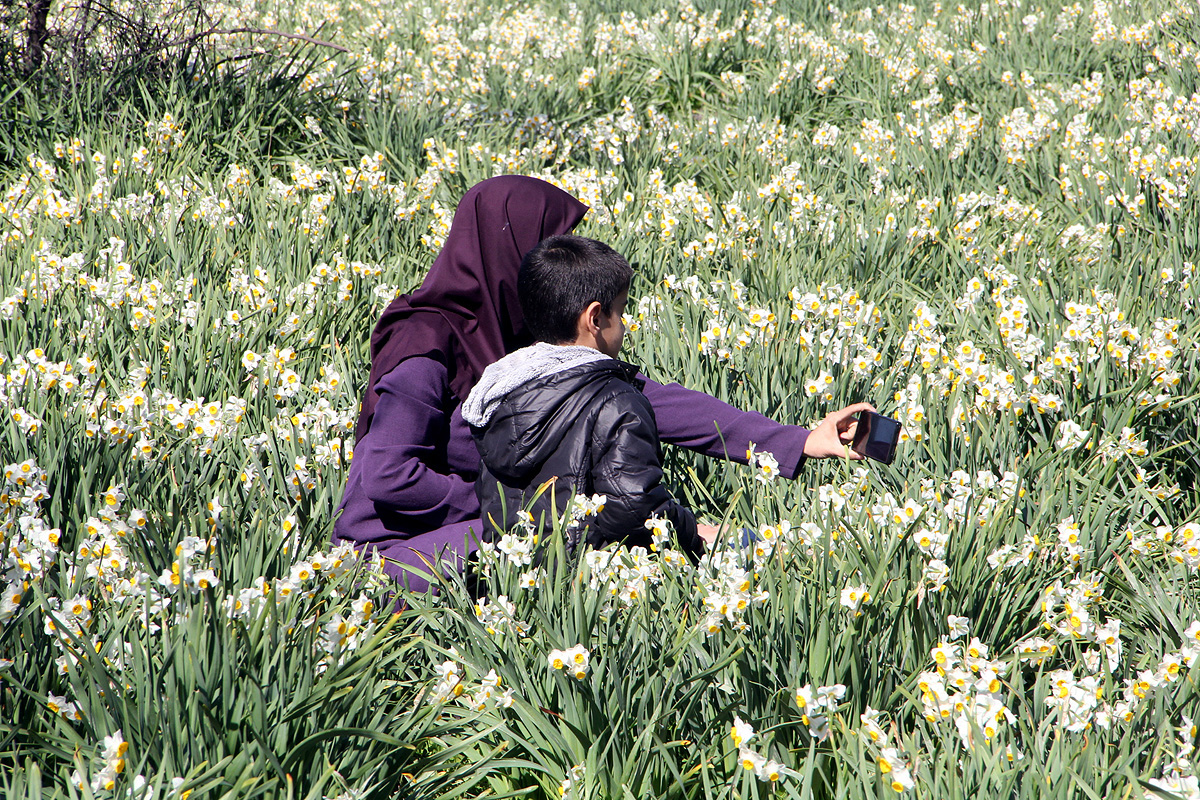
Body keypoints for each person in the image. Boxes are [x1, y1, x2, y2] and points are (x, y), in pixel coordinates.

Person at [335, 175, 871, 591]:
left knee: (601, 518)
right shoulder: (425, 339)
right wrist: (514, 509)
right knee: (593, 525)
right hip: (395, 555)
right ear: (507, 256)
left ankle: (709, 545)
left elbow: (652, 400)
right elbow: (389, 478)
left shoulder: (531, 341)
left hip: (483, 533)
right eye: (547, 251)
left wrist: (798, 441)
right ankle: (707, 545)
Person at [464, 234, 704, 558]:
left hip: (514, 579)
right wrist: (693, 531)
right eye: (620, 311)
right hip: (592, 584)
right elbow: (634, 506)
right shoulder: (616, 400)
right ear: (595, 319)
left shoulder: (499, 391)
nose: (623, 324)